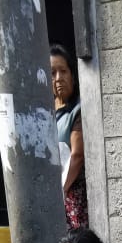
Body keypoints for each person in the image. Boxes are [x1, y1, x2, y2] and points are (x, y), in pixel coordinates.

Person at [51, 45, 87, 230]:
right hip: (53, 192)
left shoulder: (77, 110)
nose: (59, 78)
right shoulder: (45, 111)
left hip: (71, 192)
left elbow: (77, 155)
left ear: (72, 74)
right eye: (52, 73)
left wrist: (61, 192)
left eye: (63, 71)